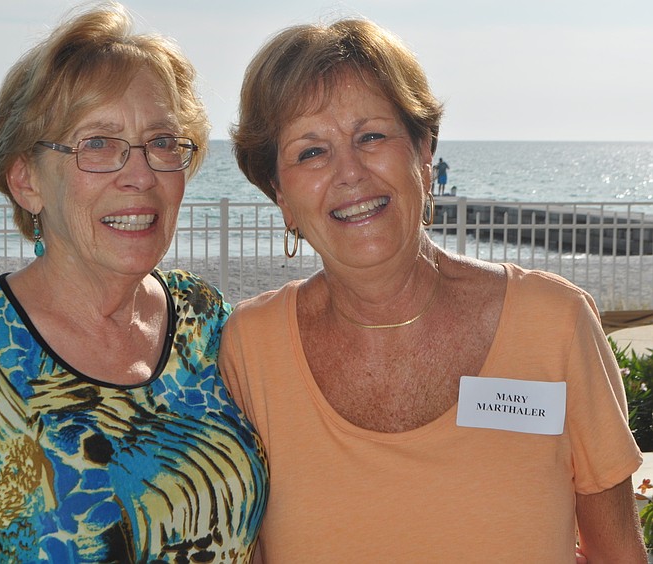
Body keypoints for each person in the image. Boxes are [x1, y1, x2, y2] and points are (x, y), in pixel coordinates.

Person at [222, 16, 644, 562]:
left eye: (371, 136)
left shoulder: (553, 325)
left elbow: (619, 555)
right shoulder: (250, 350)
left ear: (424, 154)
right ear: (280, 196)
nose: (349, 171)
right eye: (310, 152)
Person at [0, 4, 268, 562]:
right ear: (26, 182)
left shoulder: (207, 320)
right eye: (97, 142)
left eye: (163, 141)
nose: (141, 173)